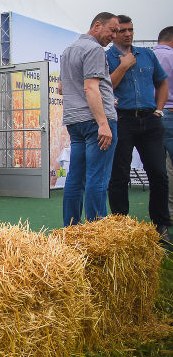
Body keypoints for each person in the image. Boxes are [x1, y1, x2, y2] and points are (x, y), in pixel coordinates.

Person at [105, 16, 170, 241]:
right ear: (114, 33)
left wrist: (159, 110)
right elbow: (108, 86)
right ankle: (121, 224)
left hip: (150, 119)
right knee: (119, 175)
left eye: (131, 29)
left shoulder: (148, 54)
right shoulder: (107, 57)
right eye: (122, 30)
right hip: (122, 119)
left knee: (159, 174)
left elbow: (162, 82)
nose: (128, 34)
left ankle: (161, 225)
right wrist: (123, 66)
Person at [60, 12, 119, 227]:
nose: (114, 35)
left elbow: (62, 87)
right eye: (112, 30)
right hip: (95, 122)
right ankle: (97, 232)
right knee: (98, 178)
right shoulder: (94, 49)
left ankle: (71, 229)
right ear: (97, 25)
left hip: (75, 122)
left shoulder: (68, 50)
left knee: (75, 178)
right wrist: (103, 123)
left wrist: (106, 98)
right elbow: (90, 87)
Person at [153, 26, 173, 233]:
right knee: (166, 169)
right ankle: (167, 213)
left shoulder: (147, 56)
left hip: (150, 114)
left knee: (159, 168)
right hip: (169, 112)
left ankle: (162, 214)